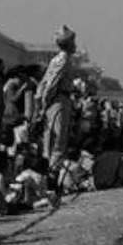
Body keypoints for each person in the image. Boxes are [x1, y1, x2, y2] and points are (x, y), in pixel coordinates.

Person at [35, 25, 78, 177]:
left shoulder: (59, 59)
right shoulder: (63, 59)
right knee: (57, 140)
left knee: (54, 139)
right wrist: (45, 104)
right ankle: (53, 173)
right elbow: (51, 83)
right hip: (58, 101)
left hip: (58, 100)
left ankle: (54, 171)